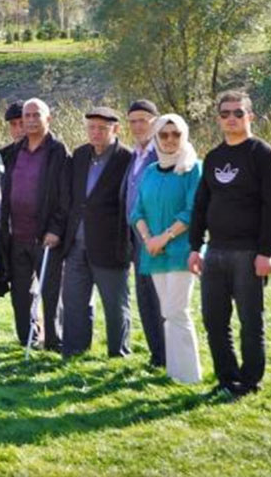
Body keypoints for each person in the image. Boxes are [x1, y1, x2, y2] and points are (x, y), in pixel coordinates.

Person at [189, 91, 271, 399]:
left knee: (250, 321)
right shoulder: (214, 157)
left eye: (238, 113)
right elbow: (201, 205)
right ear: (218, 119)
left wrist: (266, 252)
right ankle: (227, 379)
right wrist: (195, 246)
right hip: (215, 251)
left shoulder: (263, 154)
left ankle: (250, 381)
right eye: (226, 114)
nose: (232, 118)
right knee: (214, 320)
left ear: (250, 117)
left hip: (248, 253)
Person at [129, 114, 203, 384]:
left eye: (176, 134)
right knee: (166, 313)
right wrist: (149, 238)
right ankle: (175, 372)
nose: (170, 140)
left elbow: (192, 210)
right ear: (157, 137)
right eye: (164, 134)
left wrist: (164, 237)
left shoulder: (192, 168)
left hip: (181, 251)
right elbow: (137, 211)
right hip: (154, 253)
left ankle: (189, 376)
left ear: (184, 136)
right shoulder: (149, 171)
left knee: (177, 311)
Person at [61, 107, 133, 359]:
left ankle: (118, 352)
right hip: (76, 242)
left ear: (116, 129)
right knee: (74, 301)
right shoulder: (79, 155)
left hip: (110, 243)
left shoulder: (127, 158)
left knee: (115, 304)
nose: (96, 133)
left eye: (102, 128)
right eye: (91, 127)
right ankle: (74, 350)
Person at [0, 98, 69, 351]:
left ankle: (53, 342)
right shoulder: (13, 152)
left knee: (50, 293)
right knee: (20, 294)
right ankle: (27, 337)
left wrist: (55, 229)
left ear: (47, 118)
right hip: (16, 235)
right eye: (26, 115)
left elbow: (64, 196)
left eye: (35, 115)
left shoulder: (58, 151)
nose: (29, 120)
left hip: (45, 237)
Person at [123, 99, 166, 369]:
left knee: (162, 298)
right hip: (136, 236)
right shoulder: (134, 155)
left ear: (155, 121)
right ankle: (156, 356)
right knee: (146, 298)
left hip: (159, 237)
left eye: (143, 120)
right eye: (133, 121)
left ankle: (169, 355)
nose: (138, 126)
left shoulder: (163, 151)